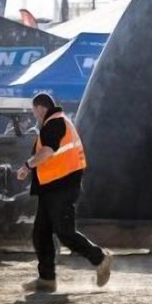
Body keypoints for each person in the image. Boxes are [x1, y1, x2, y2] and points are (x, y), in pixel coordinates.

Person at [16, 93, 112, 292]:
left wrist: (27, 165)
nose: (34, 116)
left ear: (41, 108)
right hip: (52, 187)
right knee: (40, 233)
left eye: (34, 112)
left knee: (65, 233)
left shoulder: (54, 123)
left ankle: (100, 258)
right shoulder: (58, 123)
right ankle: (47, 279)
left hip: (61, 187)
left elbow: (47, 152)